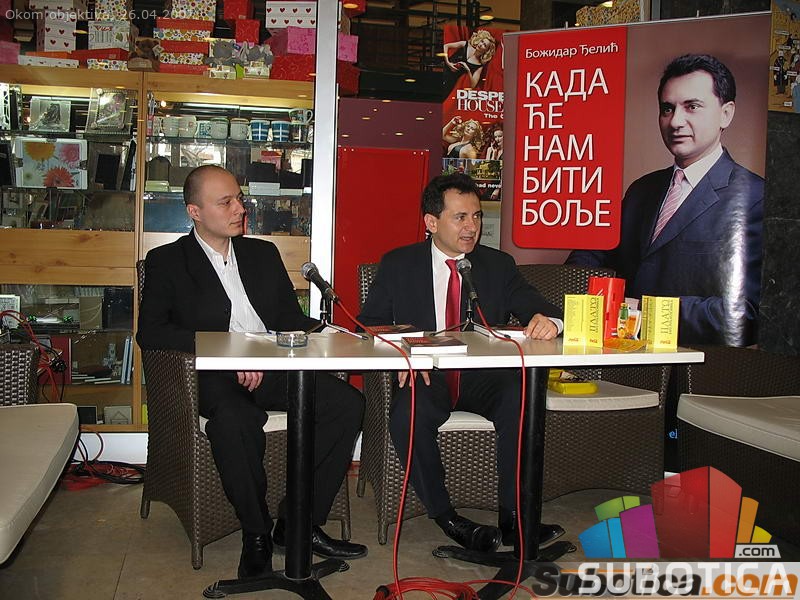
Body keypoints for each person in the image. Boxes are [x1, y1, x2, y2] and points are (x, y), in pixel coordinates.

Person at [136, 165, 367, 580]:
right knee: (235, 419)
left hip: (271, 368)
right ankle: (256, 533)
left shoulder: (263, 254)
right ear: (194, 211)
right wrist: (230, 353)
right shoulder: (167, 261)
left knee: (347, 404)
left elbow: (287, 318)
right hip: (211, 377)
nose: (240, 209)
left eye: (239, 199)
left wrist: (336, 334)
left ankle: (297, 523)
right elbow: (151, 332)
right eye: (226, 202)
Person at [358, 172, 565, 553]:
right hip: (427, 373)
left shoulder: (497, 264)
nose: (472, 227)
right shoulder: (399, 264)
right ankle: (447, 517)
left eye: (477, 216)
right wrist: (404, 352)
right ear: (431, 222)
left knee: (522, 396)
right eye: (460, 217)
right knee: (407, 416)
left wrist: (549, 321)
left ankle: (515, 518)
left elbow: (535, 304)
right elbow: (369, 324)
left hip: (483, 376)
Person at [567, 54, 763, 347]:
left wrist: (646, 314)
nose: (676, 122)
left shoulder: (755, 198)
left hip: (698, 366)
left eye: (692, 107)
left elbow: (748, 313)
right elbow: (589, 258)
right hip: (619, 357)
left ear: (726, 113)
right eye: (667, 109)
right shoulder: (641, 190)